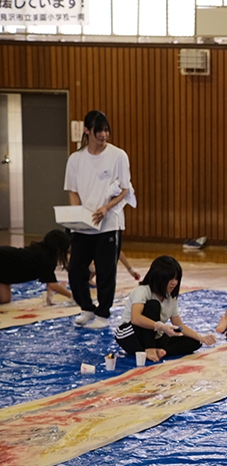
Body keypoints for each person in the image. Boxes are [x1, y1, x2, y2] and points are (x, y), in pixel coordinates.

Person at [64, 110, 137, 329]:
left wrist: (106, 208)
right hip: (83, 227)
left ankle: (103, 314)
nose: (104, 135)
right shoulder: (75, 159)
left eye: (106, 130)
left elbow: (125, 189)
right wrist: (78, 215)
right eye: (99, 131)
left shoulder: (118, 156)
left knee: (106, 272)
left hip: (109, 224)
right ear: (87, 131)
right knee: (76, 270)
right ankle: (87, 308)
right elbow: (73, 190)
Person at [113, 256, 216, 361]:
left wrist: (201, 337)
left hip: (154, 336)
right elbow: (136, 318)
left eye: (176, 278)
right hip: (129, 334)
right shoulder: (142, 291)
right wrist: (161, 326)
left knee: (194, 342)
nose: (174, 282)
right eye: (170, 279)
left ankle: (154, 350)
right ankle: (150, 349)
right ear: (159, 277)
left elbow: (179, 325)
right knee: (153, 305)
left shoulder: (171, 297)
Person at [0, 230, 73, 305]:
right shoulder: (44, 258)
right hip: (3, 261)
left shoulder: (45, 254)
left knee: (5, 299)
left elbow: (50, 282)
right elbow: (53, 285)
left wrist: (50, 300)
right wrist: (72, 296)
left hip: (5, 271)